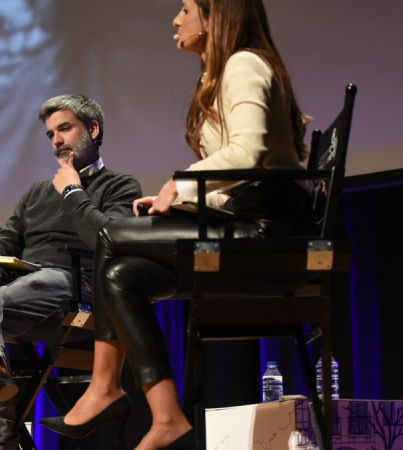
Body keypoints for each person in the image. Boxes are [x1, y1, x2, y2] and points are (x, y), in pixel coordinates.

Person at [39, 1, 314, 449]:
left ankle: (105, 389)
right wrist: (184, 203)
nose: (176, 19)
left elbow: (248, 156)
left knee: (110, 234)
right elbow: (242, 170)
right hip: (242, 218)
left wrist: (180, 187)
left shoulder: (244, 65)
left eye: (186, 8)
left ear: (215, 15)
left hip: (265, 231)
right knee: (120, 274)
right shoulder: (224, 71)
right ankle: (166, 416)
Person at [0, 94, 142, 450]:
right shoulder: (36, 193)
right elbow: (2, 243)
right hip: (27, 287)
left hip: (76, 288)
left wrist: (71, 191)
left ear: (93, 129)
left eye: (64, 129)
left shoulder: (119, 186)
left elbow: (109, 241)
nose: (56, 142)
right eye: (51, 134)